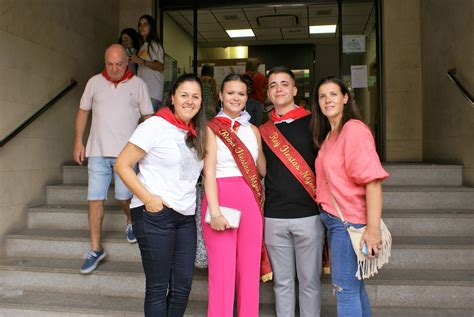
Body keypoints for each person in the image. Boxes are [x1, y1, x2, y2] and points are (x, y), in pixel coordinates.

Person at [114, 73, 206, 317]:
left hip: (185, 217)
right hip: (155, 215)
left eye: (195, 96)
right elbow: (122, 164)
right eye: (184, 95)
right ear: (173, 98)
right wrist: (149, 199)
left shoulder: (196, 133)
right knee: (157, 287)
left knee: (182, 287)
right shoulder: (154, 125)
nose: (190, 101)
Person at [311, 76, 389, 317]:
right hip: (335, 220)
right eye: (322, 96)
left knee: (344, 290)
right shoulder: (329, 135)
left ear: (345, 98)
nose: (327, 100)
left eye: (333, 94)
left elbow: (373, 181)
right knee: (354, 288)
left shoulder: (353, 130)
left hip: (348, 223)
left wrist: (373, 230)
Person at [73, 44, 154, 274]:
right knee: (94, 198)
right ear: (104, 61)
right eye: (110, 64)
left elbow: (148, 117)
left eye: (119, 64)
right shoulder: (93, 83)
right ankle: (96, 248)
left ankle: (130, 220)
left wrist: (148, 147)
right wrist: (78, 141)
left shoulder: (138, 85)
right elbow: (83, 111)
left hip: (126, 154)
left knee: (124, 197)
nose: (115, 68)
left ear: (127, 61)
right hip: (97, 150)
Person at [201, 74, 271, 317]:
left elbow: (261, 169)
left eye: (241, 93)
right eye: (230, 93)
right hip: (220, 197)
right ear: (220, 95)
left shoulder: (253, 129)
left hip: (250, 197)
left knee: (249, 270)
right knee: (222, 272)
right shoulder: (211, 128)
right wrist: (216, 211)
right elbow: (208, 174)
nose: (236, 98)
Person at [259, 66, 325, 317]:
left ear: (295, 89)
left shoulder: (314, 122)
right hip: (274, 216)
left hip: (308, 215)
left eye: (284, 84)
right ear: (267, 92)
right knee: (282, 283)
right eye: (273, 85)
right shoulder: (263, 130)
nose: (279, 89)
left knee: (309, 283)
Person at [130, 14, 165, 112]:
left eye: (145, 24)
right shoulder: (143, 46)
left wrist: (141, 61)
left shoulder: (154, 44)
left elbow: (160, 66)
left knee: (146, 124)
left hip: (153, 93)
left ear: (151, 27)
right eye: (140, 25)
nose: (142, 27)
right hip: (144, 92)